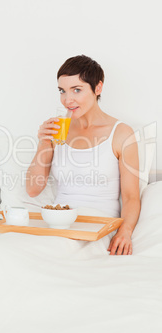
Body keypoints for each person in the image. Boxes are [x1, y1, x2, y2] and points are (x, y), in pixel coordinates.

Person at [26, 55, 140, 256]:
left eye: (76, 90)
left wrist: (125, 232)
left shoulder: (121, 133)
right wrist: (44, 142)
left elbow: (131, 197)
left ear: (98, 88)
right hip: (58, 223)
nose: (67, 100)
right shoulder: (57, 131)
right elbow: (33, 189)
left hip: (97, 226)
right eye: (62, 91)